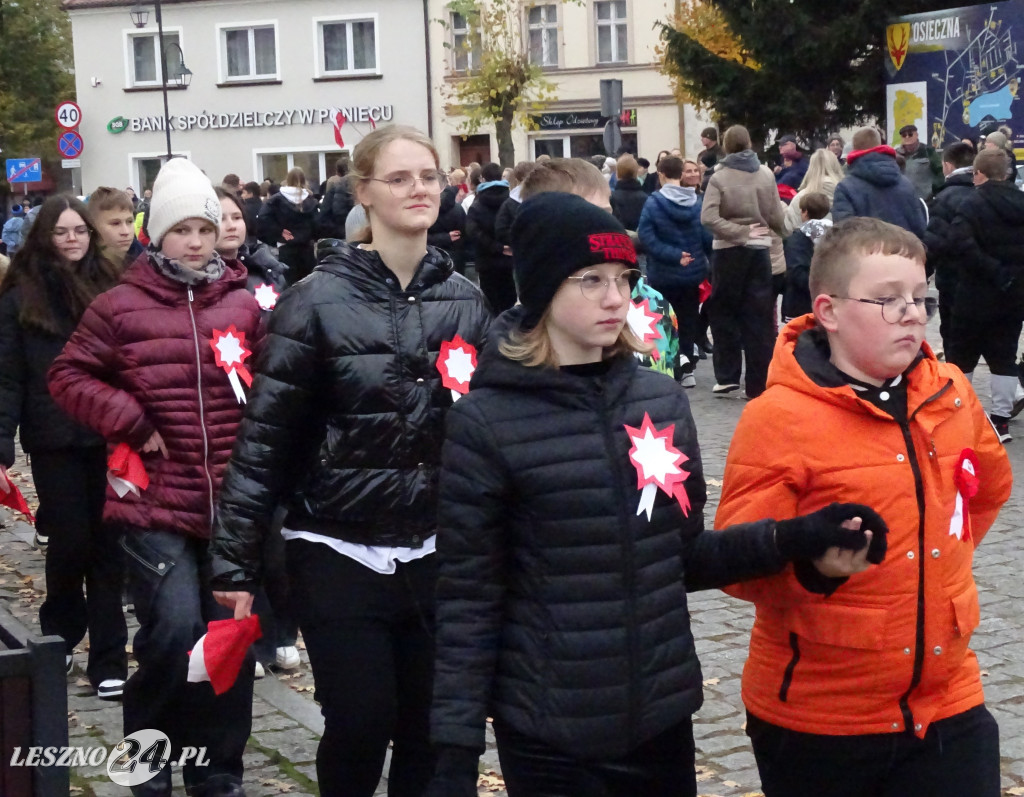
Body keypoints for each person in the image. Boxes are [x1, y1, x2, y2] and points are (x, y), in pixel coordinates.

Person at [425, 191, 888, 797]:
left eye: (624, 277)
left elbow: (683, 556)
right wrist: (454, 751)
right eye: (590, 279)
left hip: (660, 718)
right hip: (551, 732)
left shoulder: (660, 400)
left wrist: (797, 538)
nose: (615, 298)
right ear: (539, 288)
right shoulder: (485, 421)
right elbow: (468, 597)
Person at [206, 125, 491, 797]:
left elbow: (488, 432)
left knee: (430, 728)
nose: (419, 189)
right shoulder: (315, 301)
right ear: (363, 192)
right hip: (337, 546)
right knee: (362, 721)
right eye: (399, 178)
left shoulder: (468, 301)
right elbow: (266, 438)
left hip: (435, 548)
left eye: (428, 175)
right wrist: (234, 560)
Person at [716, 216, 1012, 797]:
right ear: (827, 311)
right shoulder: (779, 417)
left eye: (920, 296)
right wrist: (811, 567)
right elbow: (735, 559)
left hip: (948, 695)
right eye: (887, 299)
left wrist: (936, 565)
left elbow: (987, 492)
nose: (912, 313)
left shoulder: (950, 390)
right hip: (823, 713)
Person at [48, 158, 263, 797]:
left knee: (228, 646)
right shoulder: (119, 306)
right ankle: (150, 758)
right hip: (154, 503)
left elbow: (275, 389)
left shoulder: (246, 305)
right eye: (180, 229)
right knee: (171, 633)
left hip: (230, 503)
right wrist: (130, 419)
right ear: (155, 234)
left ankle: (217, 771)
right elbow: (67, 376)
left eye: (204, 227)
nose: (195, 241)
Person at [0, 195, 126, 699]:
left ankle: (110, 657)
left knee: (110, 544)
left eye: (79, 231)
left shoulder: (110, 286)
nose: (73, 239)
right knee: (71, 539)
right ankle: (62, 626)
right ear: (44, 238)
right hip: (53, 436)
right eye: (62, 232)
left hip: (109, 433)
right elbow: (8, 377)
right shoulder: (20, 297)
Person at [944, 147, 1024, 443]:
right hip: (1014, 295)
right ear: (1006, 173)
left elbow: (959, 243)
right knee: (1004, 357)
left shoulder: (972, 203)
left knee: (962, 356)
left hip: (974, 293)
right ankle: (1001, 423)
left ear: (978, 174)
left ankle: (961, 417)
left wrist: (992, 271)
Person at [700, 124, 786, 398]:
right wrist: (784, 237)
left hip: (728, 251)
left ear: (725, 144)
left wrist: (739, 231)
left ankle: (727, 376)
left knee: (724, 312)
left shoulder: (719, 177)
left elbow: (708, 218)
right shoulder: (764, 174)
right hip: (760, 250)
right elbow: (775, 215)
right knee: (759, 317)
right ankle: (758, 383)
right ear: (749, 143)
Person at [637, 155, 710, 388]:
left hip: (663, 272)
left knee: (664, 321)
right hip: (692, 273)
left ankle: (668, 368)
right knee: (688, 320)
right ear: (681, 174)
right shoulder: (697, 202)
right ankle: (687, 369)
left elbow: (646, 237)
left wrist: (673, 255)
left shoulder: (654, 202)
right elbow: (706, 237)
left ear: (660, 174)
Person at [922, 142, 975, 355]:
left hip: (954, 280)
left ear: (948, 166)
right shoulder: (985, 192)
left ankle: (957, 386)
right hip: (992, 282)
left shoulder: (944, 198)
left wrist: (921, 273)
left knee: (955, 344)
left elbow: (935, 243)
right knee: (1001, 354)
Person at [832, 127, 927, 238]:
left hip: (867, 253)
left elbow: (843, 235)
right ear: (879, 145)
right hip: (904, 252)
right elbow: (920, 229)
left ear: (854, 148)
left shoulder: (845, 188)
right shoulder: (906, 184)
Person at [466, 162, 515, 314]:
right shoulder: (512, 201)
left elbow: (473, 232)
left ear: (482, 179)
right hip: (510, 259)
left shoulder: (477, 204)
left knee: (489, 304)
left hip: (486, 261)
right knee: (509, 303)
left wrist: (495, 247)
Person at [257, 167, 319, 284]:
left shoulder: (276, 200)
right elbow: (317, 224)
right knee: (307, 285)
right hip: (307, 250)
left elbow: (263, 219)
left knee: (288, 285)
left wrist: (278, 233)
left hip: (286, 248)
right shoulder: (311, 201)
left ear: (287, 179)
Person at [781, 191, 831, 321]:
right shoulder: (834, 235)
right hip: (827, 302)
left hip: (799, 304)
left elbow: (795, 271)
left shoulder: (797, 239)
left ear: (805, 212)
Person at [783, 149, 845, 234]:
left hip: (806, 245)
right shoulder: (846, 195)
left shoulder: (801, 198)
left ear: (811, 168)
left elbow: (790, 230)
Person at [89, 186, 145, 265]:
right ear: (93, 226)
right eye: (115, 223)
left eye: (129, 221)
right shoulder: (81, 269)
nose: (126, 232)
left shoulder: (145, 260)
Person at [427, 173, 467, 274]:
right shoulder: (458, 208)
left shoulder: (426, 209)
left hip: (431, 257)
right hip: (456, 259)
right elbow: (465, 235)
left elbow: (421, 236)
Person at [895, 124, 944, 202]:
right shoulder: (896, 154)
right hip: (902, 199)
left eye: (910, 134)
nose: (907, 137)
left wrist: (933, 190)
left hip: (926, 200)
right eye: (904, 135)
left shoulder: (928, 151)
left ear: (916, 135)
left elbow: (940, 171)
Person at [609, 153, 649, 231]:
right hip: (641, 241)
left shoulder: (611, 198)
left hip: (618, 240)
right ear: (636, 173)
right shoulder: (646, 198)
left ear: (617, 174)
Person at [317, 159, 354, 240]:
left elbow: (323, 217)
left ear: (337, 172)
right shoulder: (362, 187)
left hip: (339, 236)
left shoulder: (333, 189)